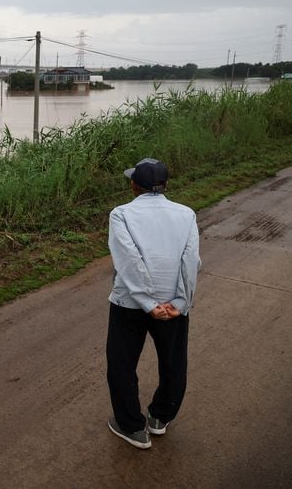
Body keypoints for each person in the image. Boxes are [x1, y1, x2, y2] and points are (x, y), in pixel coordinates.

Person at [105, 157, 201, 449]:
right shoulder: (186, 214)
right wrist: (181, 302)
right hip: (172, 306)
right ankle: (160, 417)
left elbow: (129, 261)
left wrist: (147, 302)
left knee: (122, 364)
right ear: (165, 186)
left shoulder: (121, 214)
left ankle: (132, 427)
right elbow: (190, 261)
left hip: (129, 303)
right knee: (173, 363)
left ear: (135, 185)